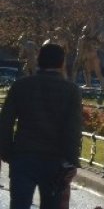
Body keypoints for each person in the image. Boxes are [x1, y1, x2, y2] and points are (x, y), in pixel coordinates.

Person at [0, 43, 82, 209]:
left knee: (19, 204)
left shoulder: (21, 86)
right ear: (62, 63)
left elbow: (5, 122)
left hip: (23, 156)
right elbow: (73, 129)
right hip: (55, 160)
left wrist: (7, 153)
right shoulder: (71, 90)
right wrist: (72, 161)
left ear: (38, 60)